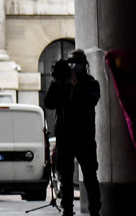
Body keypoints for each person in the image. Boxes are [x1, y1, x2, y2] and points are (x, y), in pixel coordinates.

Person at [43, 49, 101, 216]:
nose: (72, 66)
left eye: (76, 63)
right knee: (65, 178)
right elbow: (49, 103)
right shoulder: (62, 84)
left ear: (84, 64)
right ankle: (67, 210)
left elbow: (91, 101)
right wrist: (55, 81)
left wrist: (76, 85)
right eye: (70, 63)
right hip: (64, 137)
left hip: (84, 137)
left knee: (90, 177)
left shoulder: (91, 83)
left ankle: (94, 211)